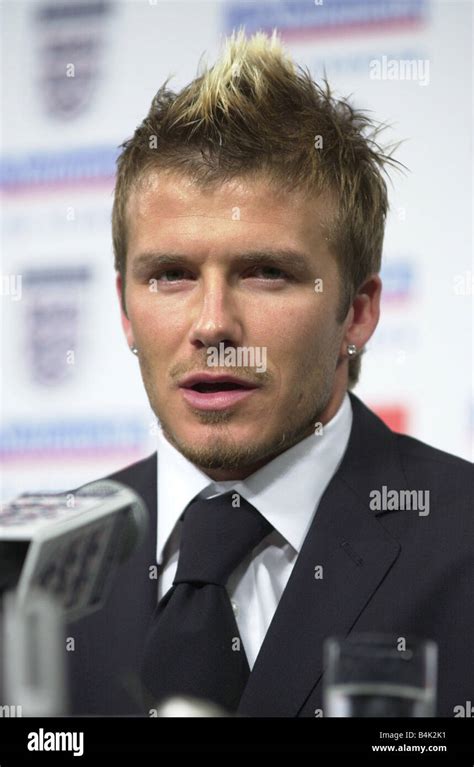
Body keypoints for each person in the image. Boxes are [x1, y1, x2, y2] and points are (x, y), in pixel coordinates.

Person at [66, 30, 473, 717]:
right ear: (125, 310)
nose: (213, 324)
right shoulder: (36, 575)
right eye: (170, 275)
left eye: (265, 273)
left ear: (358, 312)